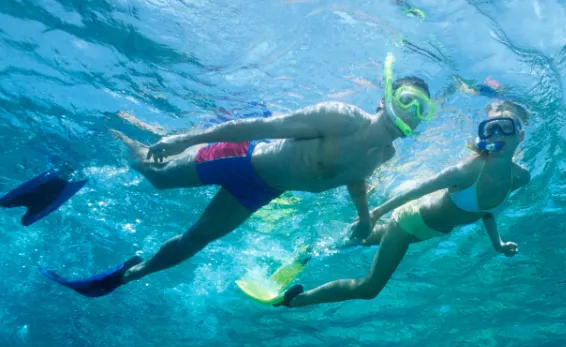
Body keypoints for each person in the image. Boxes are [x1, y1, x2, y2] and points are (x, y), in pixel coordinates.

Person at [40, 56, 436, 298]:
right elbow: (260, 126)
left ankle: (127, 275)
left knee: (197, 240)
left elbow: (355, 179)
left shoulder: (384, 154)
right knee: (154, 175)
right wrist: (185, 139)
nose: (411, 114)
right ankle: (115, 130)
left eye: (422, 111)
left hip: (262, 189)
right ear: (385, 98)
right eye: (407, 101)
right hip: (241, 158)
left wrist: (364, 217)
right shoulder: (340, 118)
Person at [277, 100, 531, 308]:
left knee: (360, 240)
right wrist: (375, 213)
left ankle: (311, 251)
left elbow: (486, 211)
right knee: (369, 289)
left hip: (428, 232)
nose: (497, 134)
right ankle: (296, 301)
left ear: (520, 135)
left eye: (505, 127)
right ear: (482, 135)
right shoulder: (467, 170)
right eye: (490, 129)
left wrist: (498, 244)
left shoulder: (520, 178)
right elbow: (418, 190)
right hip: (409, 221)